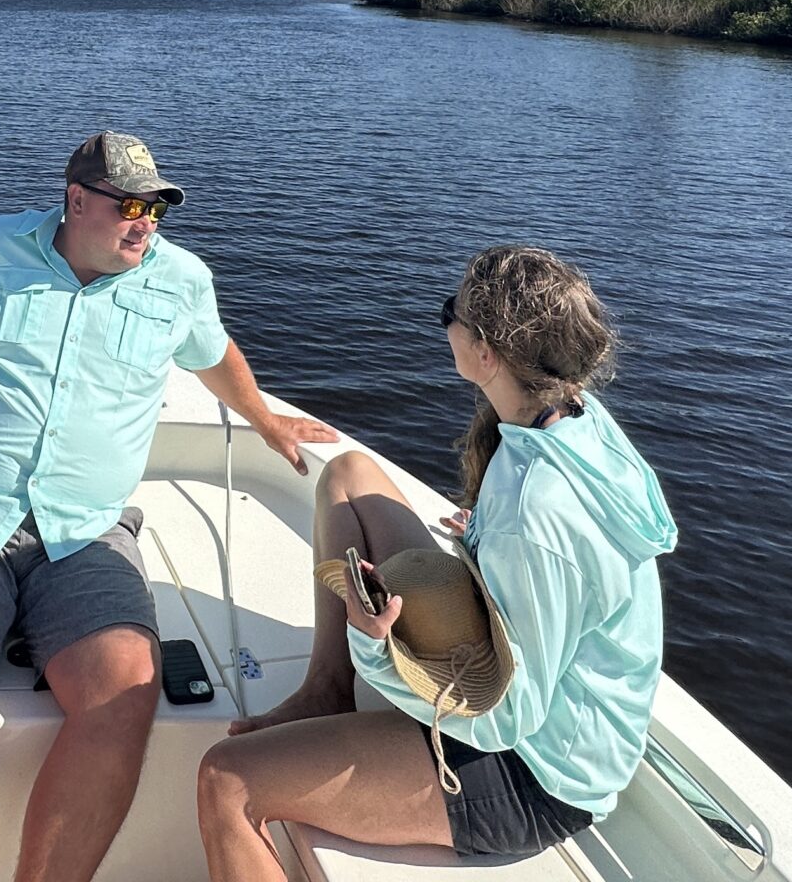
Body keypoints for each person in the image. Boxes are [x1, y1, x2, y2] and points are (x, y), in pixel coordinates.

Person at [0, 132, 340, 882]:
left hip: (86, 525)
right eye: (129, 204)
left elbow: (213, 352)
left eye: (156, 208)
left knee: (125, 688)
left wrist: (266, 420)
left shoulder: (179, 279)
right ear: (76, 200)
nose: (145, 222)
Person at [195, 246, 678, 879]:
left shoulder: (538, 513)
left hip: (532, 777)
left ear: (486, 355)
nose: (443, 319)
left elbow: (508, 716)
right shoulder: (575, 414)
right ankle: (326, 690)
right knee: (349, 475)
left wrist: (374, 647)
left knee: (225, 781)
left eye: (452, 311)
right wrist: (482, 539)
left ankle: (349, 678)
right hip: (519, 684)